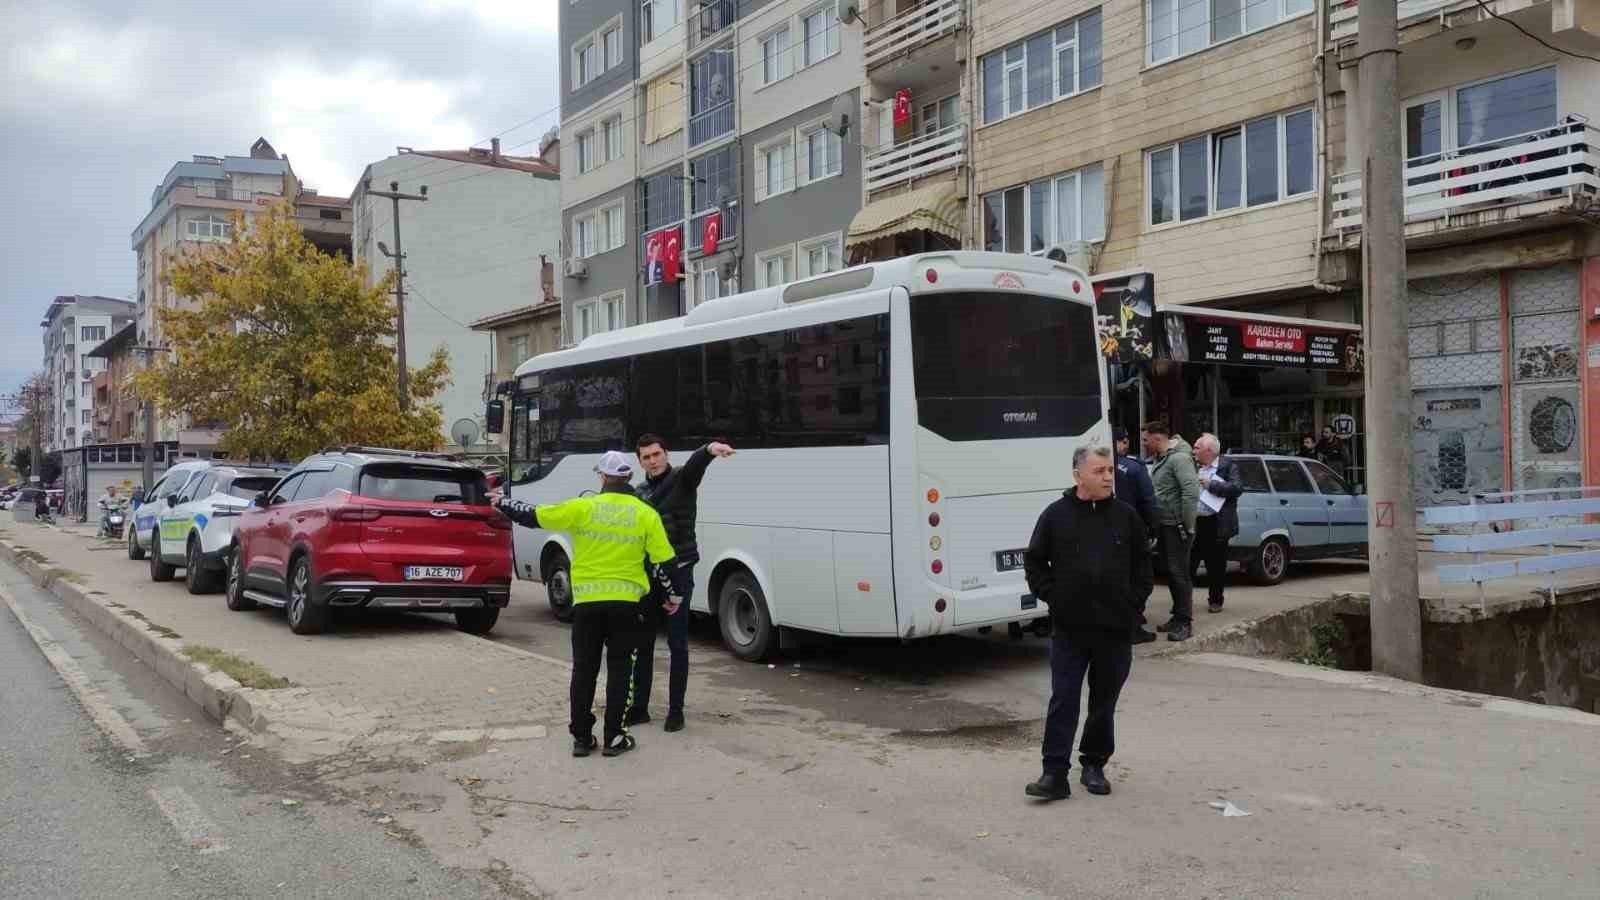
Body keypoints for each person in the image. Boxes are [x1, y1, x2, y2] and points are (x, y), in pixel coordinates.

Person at [496, 451, 689, 758]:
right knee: (621, 670)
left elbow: (534, 516)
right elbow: (665, 562)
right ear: (628, 477)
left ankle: (582, 738)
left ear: (602, 477)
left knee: (584, 670)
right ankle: (614, 737)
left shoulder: (582, 507)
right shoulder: (644, 513)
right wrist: (674, 597)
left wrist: (502, 502)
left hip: (586, 604)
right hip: (627, 605)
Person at [1022, 445, 1151, 802]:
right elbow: (1034, 564)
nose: (1109, 477)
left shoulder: (1127, 517)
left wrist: (1132, 604)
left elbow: (1144, 566)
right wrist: (1056, 597)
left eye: (1110, 470)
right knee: (1063, 700)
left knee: (1103, 702)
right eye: (1100, 471)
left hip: (1114, 629)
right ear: (1078, 475)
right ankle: (1054, 774)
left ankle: (1093, 765)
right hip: (1070, 630)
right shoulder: (1055, 515)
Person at [629, 434, 736, 733]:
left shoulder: (682, 480)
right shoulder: (638, 494)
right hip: (649, 576)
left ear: (666, 453)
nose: (652, 460)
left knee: (678, 644)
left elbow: (695, 466)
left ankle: (676, 712)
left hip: (679, 572)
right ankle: (639, 708)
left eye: (656, 454)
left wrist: (709, 450)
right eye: (646, 457)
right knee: (644, 644)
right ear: (639, 461)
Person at [1142, 421, 1199, 642]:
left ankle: (1185, 623)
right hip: (1166, 524)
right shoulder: (1164, 458)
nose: (1144, 444)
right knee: (1172, 573)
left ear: (1158, 438)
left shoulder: (1179, 459)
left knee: (1179, 574)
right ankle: (1177, 616)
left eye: (1146, 439)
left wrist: (1187, 524)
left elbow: (1190, 493)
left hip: (1177, 527)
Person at [1112, 428, 1158, 644]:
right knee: (1142, 580)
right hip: (1132, 531)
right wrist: (1153, 527)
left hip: (1105, 531)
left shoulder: (1094, 466)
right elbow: (1148, 500)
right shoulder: (1134, 467)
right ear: (1123, 442)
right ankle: (1132, 626)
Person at [1189, 434, 1244, 615]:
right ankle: (1183, 602)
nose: (1193, 450)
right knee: (1188, 563)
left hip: (1217, 522)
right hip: (1195, 521)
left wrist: (1211, 484)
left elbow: (1236, 488)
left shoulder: (1228, 466)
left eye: (1197, 447)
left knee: (1216, 565)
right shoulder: (1192, 465)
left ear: (1209, 450)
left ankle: (1215, 600)